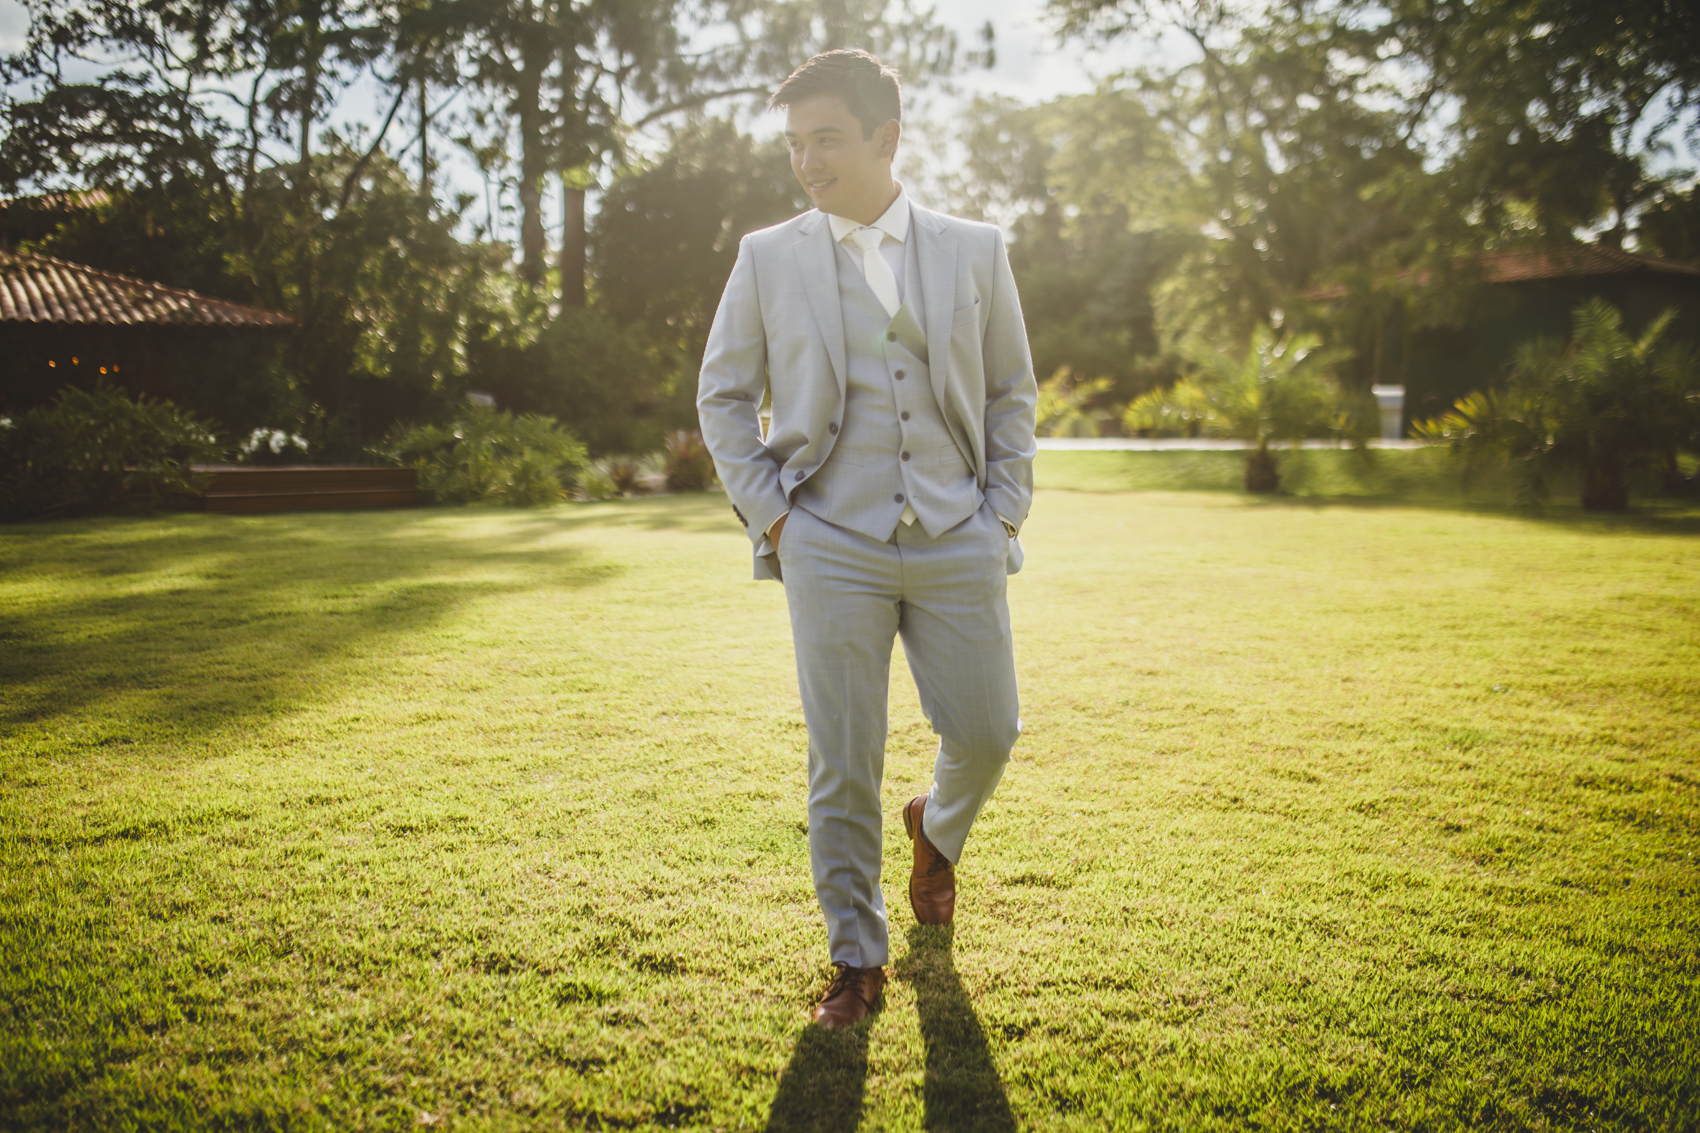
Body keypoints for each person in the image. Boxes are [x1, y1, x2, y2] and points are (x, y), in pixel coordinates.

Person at [696, 48, 1037, 1029]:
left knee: (987, 728)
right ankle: (856, 956)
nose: (806, 161)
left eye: (826, 139)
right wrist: (773, 516)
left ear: (885, 138)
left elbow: (1010, 390)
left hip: (954, 532)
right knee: (842, 758)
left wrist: (999, 510)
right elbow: (722, 394)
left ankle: (935, 825)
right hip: (827, 538)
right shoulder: (767, 255)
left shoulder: (975, 250)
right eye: (794, 143)